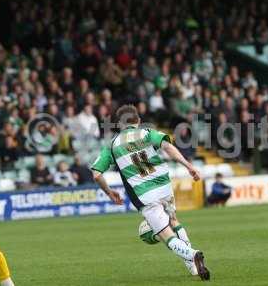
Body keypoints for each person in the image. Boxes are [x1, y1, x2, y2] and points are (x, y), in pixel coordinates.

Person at [90, 105, 210, 280]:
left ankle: (192, 254)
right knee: (174, 220)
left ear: (119, 124)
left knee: (165, 235)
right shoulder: (147, 132)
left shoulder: (113, 144)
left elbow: (96, 174)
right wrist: (189, 166)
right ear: (137, 120)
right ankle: (193, 268)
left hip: (144, 195)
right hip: (164, 187)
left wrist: (109, 192)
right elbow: (168, 146)